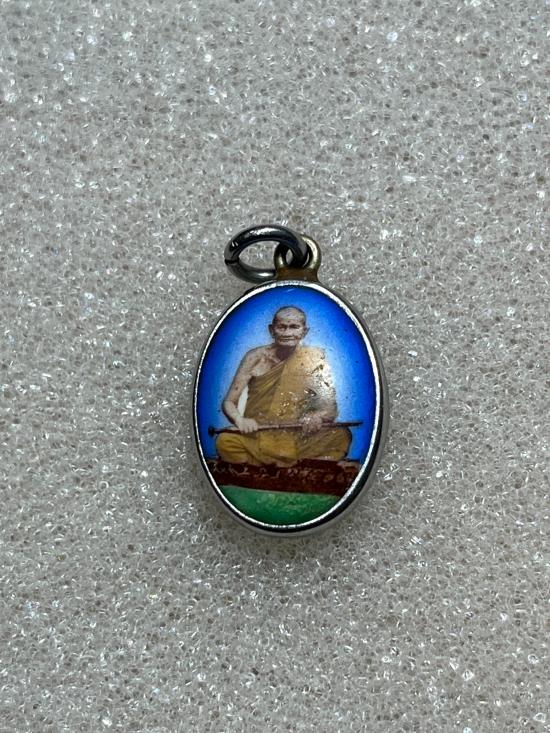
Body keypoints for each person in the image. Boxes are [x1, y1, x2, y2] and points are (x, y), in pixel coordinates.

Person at [216, 306, 351, 466]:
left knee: (341, 435)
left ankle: (267, 465)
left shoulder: (313, 359)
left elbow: (330, 408)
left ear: (304, 331)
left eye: (294, 327)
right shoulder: (256, 357)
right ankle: (297, 466)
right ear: (271, 330)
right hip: (259, 435)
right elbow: (229, 402)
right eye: (282, 327)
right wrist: (240, 420)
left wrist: (317, 417)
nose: (287, 333)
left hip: (295, 436)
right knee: (225, 441)